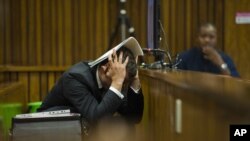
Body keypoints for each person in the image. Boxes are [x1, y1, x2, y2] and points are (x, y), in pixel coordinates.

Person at [37, 37, 144, 126]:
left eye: (124, 82)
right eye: (120, 80)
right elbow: (97, 118)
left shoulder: (115, 79)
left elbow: (133, 118)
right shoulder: (75, 78)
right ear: (105, 67)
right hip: (50, 127)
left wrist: (135, 81)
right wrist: (116, 82)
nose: (121, 84)